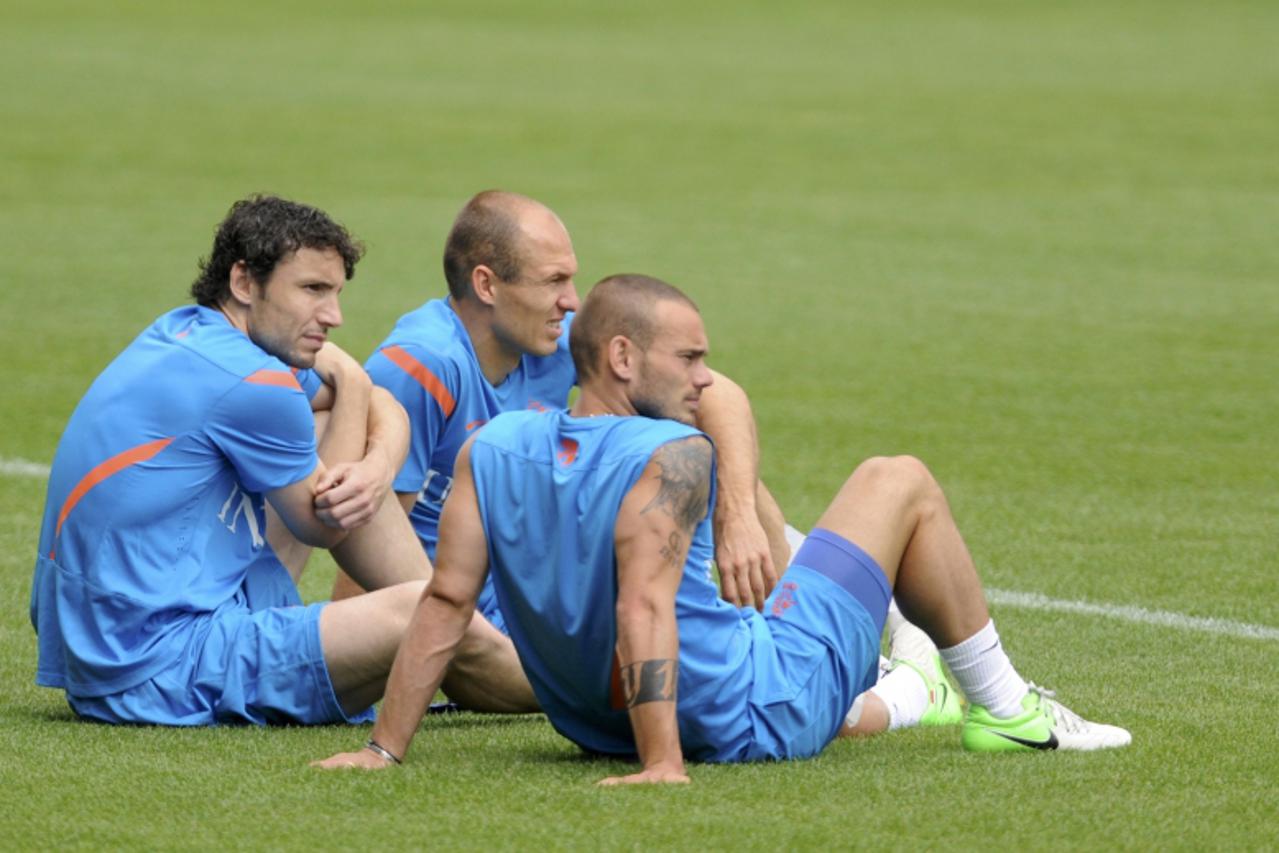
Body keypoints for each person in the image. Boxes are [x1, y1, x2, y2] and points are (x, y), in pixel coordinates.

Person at [314, 274, 1131, 779]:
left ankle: (911, 681)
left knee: (761, 614)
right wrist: (665, 764)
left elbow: (445, 601)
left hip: (596, 727)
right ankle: (1005, 709)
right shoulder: (674, 452)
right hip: (749, 708)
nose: (707, 379)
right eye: (693, 360)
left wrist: (386, 748)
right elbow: (643, 610)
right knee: (897, 479)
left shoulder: (492, 447)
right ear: (624, 359)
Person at [29, 194, 528, 726]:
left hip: (112, 645)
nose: (333, 316)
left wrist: (377, 465)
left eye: (336, 293)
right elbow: (324, 522)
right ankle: (573, 691)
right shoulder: (257, 383)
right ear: (244, 283)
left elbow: (383, 409)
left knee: (329, 432)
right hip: (163, 666)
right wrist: (356, 385)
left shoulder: (190, 332)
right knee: (418, 612)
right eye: (313, 290)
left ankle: (460, 625)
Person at [339, 191, 785, 619]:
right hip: (473, 619)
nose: (572, 300)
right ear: (486, 285)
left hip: (539, 586)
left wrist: (738, 517)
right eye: (554, 280)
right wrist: (361, 668)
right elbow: (372, 534)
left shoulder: (551, 336)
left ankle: (781, 614)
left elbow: (714, 392)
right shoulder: (423, 365)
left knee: (719, 461)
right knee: (659, 644)